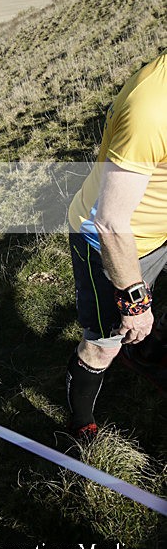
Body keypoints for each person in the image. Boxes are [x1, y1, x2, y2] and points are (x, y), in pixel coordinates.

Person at [66, 49, 167, 441]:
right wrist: (135, 303)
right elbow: (110, 222)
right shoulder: (152, 109)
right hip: (111, 240)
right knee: (104, 343)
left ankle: (146, 350)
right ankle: (80, 421)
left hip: (157, 227)